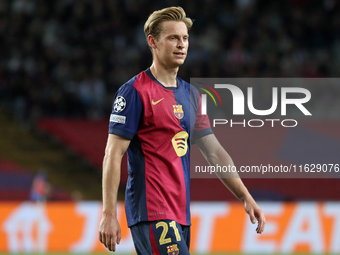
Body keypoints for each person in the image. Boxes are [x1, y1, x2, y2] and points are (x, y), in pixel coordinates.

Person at [99, 6, 266, 255]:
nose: (181, 44)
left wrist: (245, 196)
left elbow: (214, 152)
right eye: (173, 38)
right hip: (151, 210)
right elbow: (113, 154)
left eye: (185, 38)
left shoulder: (191, 95)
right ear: (152, 42)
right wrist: (108, 214)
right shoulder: (135, 91)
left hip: (180, 213)